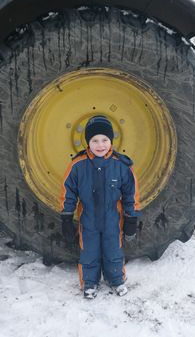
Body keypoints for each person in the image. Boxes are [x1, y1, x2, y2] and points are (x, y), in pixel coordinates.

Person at [60, 115, 141, 299]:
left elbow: (131, 192)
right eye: (94, 140)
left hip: (113, 218)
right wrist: (66, 216)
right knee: (89, 251)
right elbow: (68, 191)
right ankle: (90, 282)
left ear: (111, 141)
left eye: (105, 140)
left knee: (113, 249)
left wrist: (131, 217)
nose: (100, 145)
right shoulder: (78, 166)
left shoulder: (120, 165)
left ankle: (116, 279)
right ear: (88, 142)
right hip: (88, 219)